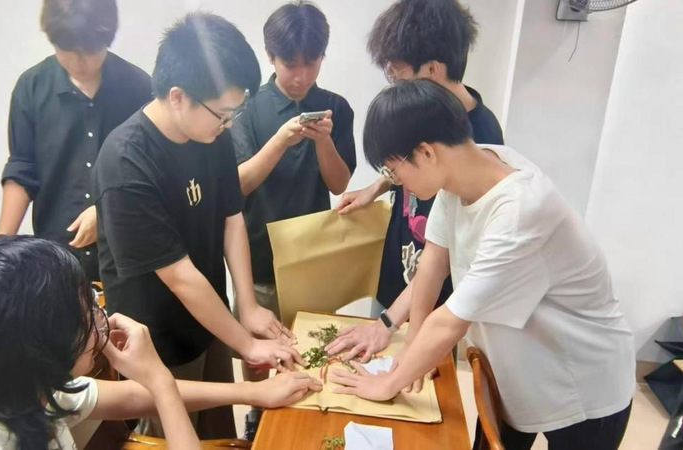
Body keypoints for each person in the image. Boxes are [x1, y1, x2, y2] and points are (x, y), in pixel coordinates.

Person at [329, 80, 635, 450]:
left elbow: (450, 321)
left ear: (425, 153)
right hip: (517, 370)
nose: (398, 184)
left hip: (582, 385)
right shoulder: (464, 173)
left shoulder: (520, 210)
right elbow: (432, 266)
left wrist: (386, 384)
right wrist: (410, 348)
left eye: (395, 172)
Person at [93, 13, 304, 439]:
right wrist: (247, 343)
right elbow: (180, 276)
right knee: (176, 436)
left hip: (209, 322)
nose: (228, 124)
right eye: (222, 114)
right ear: (178, 97)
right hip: (158, 345)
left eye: (233, 113)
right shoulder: (126, 163)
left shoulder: (211, 134)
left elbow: (231, 217)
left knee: (218, 433)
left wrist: (247, 307)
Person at [0, 236, 322, 449]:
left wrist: (254, 393)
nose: (100, 317)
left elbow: (129, 398)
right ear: (39, 344)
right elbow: (150, 393)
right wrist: (159, 379)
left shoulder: (12, 382)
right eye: (86, 312)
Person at [328, 0, 503, 365]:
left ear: (433, 70)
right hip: (397, 281)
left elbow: (442, 256)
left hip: (431, 304)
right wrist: (377, 187)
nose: (394, 86)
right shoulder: (425, 115)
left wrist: (388, 323)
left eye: (398, 76)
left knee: (416, 381)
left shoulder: (480, 141)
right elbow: (407, 160)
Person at [229, 0, 355, 439]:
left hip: (314, 256)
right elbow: (239, 184)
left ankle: (308, 420)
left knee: (314, 346)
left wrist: (323, 142)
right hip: (258, 255)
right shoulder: (246, 108)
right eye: (290, 64)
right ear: (271, 56)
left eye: (311, 62)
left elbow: (339, 183)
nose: (301, 75)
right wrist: (281, 140)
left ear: (323, 57)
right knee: (258, 352)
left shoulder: (335, 107)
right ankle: (255, 416)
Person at [0, 0, 154, 282]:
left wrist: (105, 212)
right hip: (57, 256)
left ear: (108, 38)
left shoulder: (139, 88)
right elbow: (22, 169)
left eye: (90, 52)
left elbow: (152, 175)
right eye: (68, 52)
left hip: (126, 257)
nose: (80, 63)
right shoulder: (31, 87)